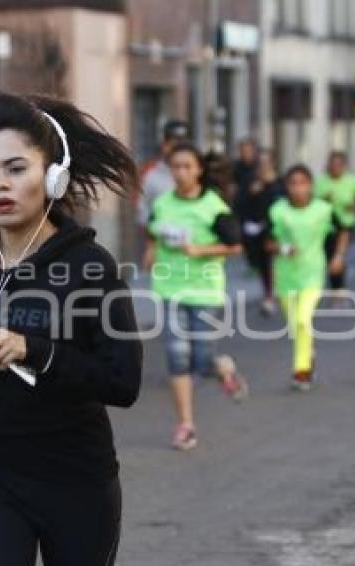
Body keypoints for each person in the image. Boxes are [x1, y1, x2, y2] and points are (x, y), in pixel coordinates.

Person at [0, 93, 142, 565]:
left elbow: (123, 381)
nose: (0, 186)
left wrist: (35, 351)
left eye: (16, 169)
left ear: (52, 175)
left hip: (78, 482)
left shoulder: (89, 266)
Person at [144, 143, 248, 451]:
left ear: (199, 169)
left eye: (187, 166)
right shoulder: (163, 203)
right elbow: (153, 229)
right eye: (175, 167)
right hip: (169, 288)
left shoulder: (213, 207)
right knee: (177, 358)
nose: (181, 173)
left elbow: (235, 246)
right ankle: (186, 425)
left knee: (202, 361)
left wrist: (199, 250)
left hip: (204, 290)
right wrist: (150, 250)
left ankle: (223, 369)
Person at [267, 165, 348, 392]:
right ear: (286, 186)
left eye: (303, 183)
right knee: (296, 326)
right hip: (285, 276)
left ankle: (301, 371)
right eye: (293, 183)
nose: (298, 188)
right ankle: (308, 352)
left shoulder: (323, 209)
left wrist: (338, 257)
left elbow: (343, 230)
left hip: (312, 273)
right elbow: (265, 242)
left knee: (303, 320)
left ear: (311, 185)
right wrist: (282, 249)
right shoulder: (277, 210)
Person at [237, 149, 281, 316]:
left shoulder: (279, 183)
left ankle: (271, 297)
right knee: (263, 265)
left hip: (275, 229)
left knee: (272, 263)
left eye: (266, 162)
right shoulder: (250, 182)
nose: (263, 166)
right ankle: (269, 294)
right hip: (255, 229)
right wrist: (251, 193)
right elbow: (239, 203)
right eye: (260, 163)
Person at [314, 151, 355, 299]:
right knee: (330, 255)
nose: (335, 167)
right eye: (333, 164)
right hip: (326, 224)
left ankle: (338, 287)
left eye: (339, 165)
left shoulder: (352, 181)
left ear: (344, 166)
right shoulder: (320, 181)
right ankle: (335, 283)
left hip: (346, 223)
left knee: (339, 254)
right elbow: (312, 201)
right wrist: (324, 199)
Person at [138, 119, 190, 228]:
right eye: (173, 144)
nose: (177, 150)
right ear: (164, 145)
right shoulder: (151, 173)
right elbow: (142, 210)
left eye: (182, 145)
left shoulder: (199, 172)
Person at [232, 138, 259, 207]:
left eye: (247, 151)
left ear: (253, 152)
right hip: (240, 203)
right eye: (242, 151)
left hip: (256, 204)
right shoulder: (235, 167)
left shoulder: (259, 167)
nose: (245, 154)